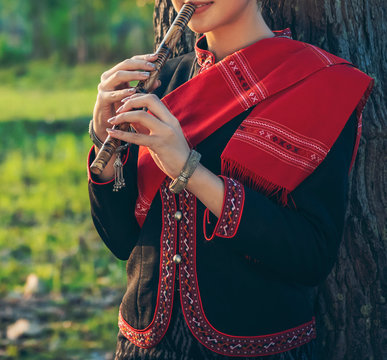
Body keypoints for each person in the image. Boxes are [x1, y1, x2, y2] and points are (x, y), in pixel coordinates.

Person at [87, 0, 373, 359]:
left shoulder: (319, 84)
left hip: (258, 349)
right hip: (144, 347)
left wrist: (190, 171)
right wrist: (103, 138)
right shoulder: (160, 84)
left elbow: (312, 256)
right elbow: (122, 240)